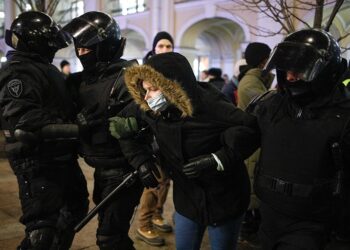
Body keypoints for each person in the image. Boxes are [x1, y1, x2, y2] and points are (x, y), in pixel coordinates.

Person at [109, 52, 260, 250]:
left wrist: (217, 159)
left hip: (225, 199)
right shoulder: (151, 109)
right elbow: (121, 128)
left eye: (153, 89)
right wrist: (141, 161)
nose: (147, 97)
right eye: (145, 90)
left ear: (172, 86)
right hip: (187, 200)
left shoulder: (212, 105)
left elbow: (252, 130)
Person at [250, 28, 350, 250]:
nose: (290, 77)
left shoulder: (343, 116)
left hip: (312, 224)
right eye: (286, 70)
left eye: (300, 70)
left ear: (326, 70)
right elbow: (240, 138)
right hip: (268, 216)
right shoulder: (269, 106)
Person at [0, 11, 89, 250]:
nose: (54, 49)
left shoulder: (40, 68)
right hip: (37, 162)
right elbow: (24, 120)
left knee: (74, 211)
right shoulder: (19, 71)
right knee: (42, 232)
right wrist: (76, 128)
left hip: (59, 158)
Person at [63, 11, 145, 249]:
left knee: (110, 238)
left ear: (105, 47)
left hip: (124, 170)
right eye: (78, 49)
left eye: (86, 49)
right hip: (101, 166)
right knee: (111, 234)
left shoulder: (128, 79)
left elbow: (136, 127)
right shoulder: (81, 82)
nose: (80, 54)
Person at [137, 31, 174, 246]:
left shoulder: (174, 70)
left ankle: (157, 214)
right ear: (153, 48)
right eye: (161, 46)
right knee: (154, 182)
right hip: (152, 135)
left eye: (168, 46)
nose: (165, 50)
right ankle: (143, 224)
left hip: (169, 134)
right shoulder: (145, 72)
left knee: (166, 181)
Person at [236, 42, 273, 247]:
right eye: (268, 58)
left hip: (257, 141)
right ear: (262, 60)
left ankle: (250, 228)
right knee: (250, 189)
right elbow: (267, 107)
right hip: (252, 142)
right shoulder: (250, 83)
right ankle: (246, 231)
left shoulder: (257, 80)